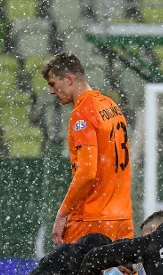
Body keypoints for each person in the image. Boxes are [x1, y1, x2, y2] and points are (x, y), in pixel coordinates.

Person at [42, 52, 133, 245]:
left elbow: (87, 173)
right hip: (121, 216)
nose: (51, 91)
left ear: (68, 79)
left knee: (73, 274)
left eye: (52, 83)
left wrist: (62, 213)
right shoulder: (111, 106)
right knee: (124, 274)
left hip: (92, 218)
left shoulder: (83, 113)